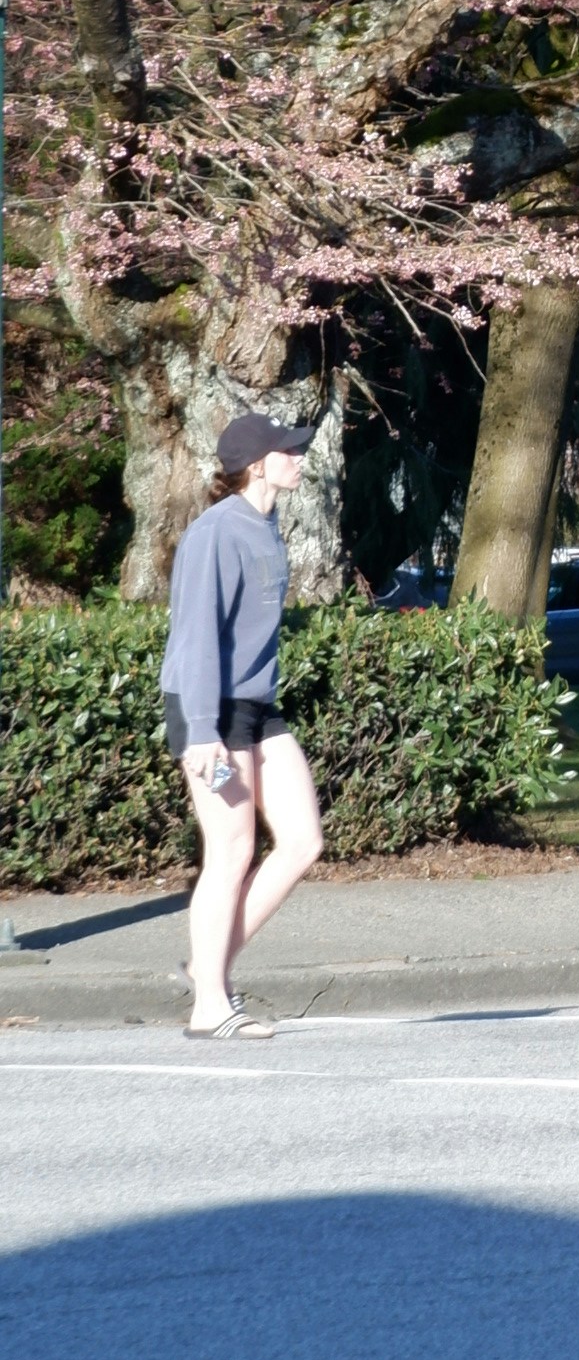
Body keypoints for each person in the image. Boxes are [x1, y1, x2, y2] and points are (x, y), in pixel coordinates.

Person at [161, 410, 326, 1041]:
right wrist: (202, 730)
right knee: (230, 851)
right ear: (258, 464)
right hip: (211, 709)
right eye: (290, 451)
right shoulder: (216, 532)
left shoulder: (267, 522)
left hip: (256, 705)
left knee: (303, 841)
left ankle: (207, 967)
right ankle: (210, 1004)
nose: (300, 459)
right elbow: (197, 634)